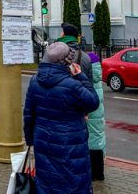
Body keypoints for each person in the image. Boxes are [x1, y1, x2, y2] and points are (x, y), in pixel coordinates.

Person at [23, 42, 99, 193]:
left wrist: (30, 140)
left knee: (46, 182)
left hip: (43, 141)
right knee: (72, 181)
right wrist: (81, 76)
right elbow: (93, 102)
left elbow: (28, 114)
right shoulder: (72, 85)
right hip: (70, 143)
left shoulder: (35, 81)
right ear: (67, 61)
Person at [87, 51, 106, 181]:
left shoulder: (86, 77)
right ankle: (99, 173)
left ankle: (94, 173)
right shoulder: (98, 77)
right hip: (98, 113)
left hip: (90, 112)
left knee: (91, 140)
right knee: (98, 138)